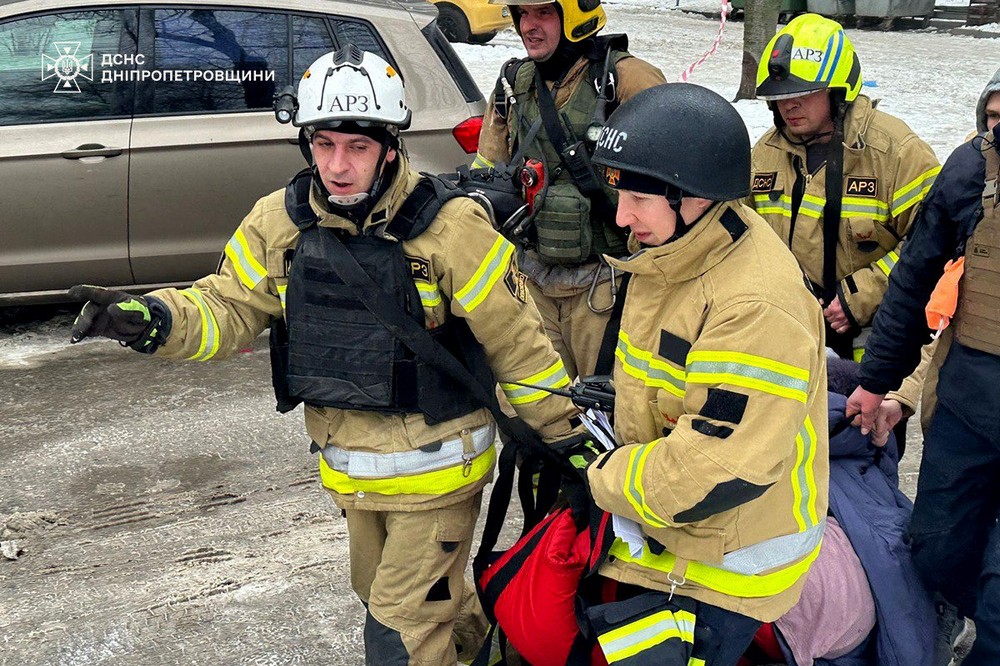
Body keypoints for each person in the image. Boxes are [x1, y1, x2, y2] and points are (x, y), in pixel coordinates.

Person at [67, 46, 580, 666]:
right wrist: (150, 320)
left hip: (441, 473)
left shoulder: (451, 229)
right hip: (349, 474)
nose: (338, 165)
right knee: (413, 604)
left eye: (357, 148)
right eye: (324, 144)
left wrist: (564, 441)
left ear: (390, 146)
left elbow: (520, 345)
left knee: (399, 631)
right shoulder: (276, 225)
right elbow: (228, 308)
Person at [579, 82, 829, 666]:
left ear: (694, 195)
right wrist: (625, 401)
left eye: (639, 195)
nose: (622, 215)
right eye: (619, 191)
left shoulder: (753, 304)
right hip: (681, 536)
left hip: (726, 567)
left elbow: (717, 466)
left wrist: (604, 478)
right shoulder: (684, 251)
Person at [847, 84, 1000, 665]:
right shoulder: (970, 168)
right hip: (967, 404)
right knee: (935, 553)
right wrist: (877, 380)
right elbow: (915, 281)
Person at [474, 0, 665, 380]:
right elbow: (488, 175)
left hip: (606, 288)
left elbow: (669, 190)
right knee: (534, 407)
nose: (529, 26)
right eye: (521, 14)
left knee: (615, 411)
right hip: (533, 284)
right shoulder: (514, 83)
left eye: (543, 12)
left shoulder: (628, 80)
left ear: (574, 16)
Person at [749, 14, 940, 367]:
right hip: (787, 340)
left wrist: (862, 294)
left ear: (838, 90)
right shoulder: (764, 155)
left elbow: (934, 245)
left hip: (873, 348)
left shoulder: (897, 152)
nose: (787, 105)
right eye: (778, 96)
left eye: (803, 93)